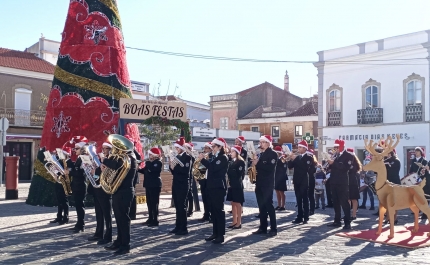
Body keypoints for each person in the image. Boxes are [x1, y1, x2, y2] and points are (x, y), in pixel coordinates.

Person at [103, 135, 137, 255]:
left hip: (125, 191)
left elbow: (116, 166)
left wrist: (105, 160)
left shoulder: (129, 158)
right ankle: (119, 241)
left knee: (123, 219)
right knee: (118, 218)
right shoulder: (124, 158)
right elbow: (115, 168)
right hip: (118, 190)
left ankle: (125, 245)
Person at [199, 137, 229, 244]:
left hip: (218, 187)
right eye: (212, 146)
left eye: (214, 146)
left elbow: (212, 168)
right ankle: (215, 232)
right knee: (214, 212)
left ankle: (220, 235)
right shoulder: (214, 157)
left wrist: (203, 159)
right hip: (211, 186)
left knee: (219, 211)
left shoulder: (223, 157)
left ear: (220, 147)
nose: (212, 148)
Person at [88, 142, 113, 245]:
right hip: (98, 188)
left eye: (105, 148)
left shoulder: (111, 160)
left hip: (106, 190)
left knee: (107, 215)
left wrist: (97, 171)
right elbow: (98, 175)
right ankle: (99, 233)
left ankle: (108, 236)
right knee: (99, 213)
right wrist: (93, 173)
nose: (103, 150)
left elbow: (108, 173)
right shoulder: (102, 159)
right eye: (102, 148)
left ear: (110, 149)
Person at [252, 135, 278, 236]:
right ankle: (262, 227)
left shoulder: (273, 154)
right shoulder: (261, 154)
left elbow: (269, 168)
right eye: (260, 142)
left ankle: (273, 228)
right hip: (259, 182)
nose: (260, 144)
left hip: (267, 183)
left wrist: (258, 163)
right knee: (261, 206)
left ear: (268, 143)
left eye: (263, 142)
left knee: (269, 206)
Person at [326, 139, 352, 230]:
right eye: (335, 147)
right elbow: (330, 168)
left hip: (342, 182)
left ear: (342, 147)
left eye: (337, 147)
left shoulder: (348, 156)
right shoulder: (335, 156)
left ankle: (347, 222)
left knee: (344, 202)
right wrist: (329, 163)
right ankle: (337, 221)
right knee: (335, 202)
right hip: (333, 181)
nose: (335, 149)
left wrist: (334, 163)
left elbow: (345, 168)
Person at [169, 137, 192, 235]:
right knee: (177, 206)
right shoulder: (177, 157)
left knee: (182, 206)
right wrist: (172, 167)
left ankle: (183, 228)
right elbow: (174, 172)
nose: (176, 149)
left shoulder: (187, 157)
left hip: (183, 183)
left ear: (182, 148)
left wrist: (176, 167)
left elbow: (185, 171)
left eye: (177, 148)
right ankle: (177, 226)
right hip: (176, 183)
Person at [288, 140, 312, 224]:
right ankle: (299, 216)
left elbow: (305, 167)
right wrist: (290, 159)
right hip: (296, 180)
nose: (298, 148)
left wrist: (295, 159)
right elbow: (290, 166)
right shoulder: (297, 157)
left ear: (305, 148)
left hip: (304, 180)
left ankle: (306, 216)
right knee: (298, 199)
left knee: (305, 198)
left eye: (300, 147)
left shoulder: (309, 157)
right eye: (298, 147)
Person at [68, 137, 89, 233]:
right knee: (77, 205)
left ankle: (81, 225)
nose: (74, 150)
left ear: (82, 149)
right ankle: (78, 224)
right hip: (76, 185)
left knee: (80, 206)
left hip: (81, 185)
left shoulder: (84, 158)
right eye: (74, 148)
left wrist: (69, 172)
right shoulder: (78, 158)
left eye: (76, 148)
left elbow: (81, 174)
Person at [50, 147, 73, 225]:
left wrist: (67, 171)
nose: (61, 155)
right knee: (59, 200)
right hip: (59, 182)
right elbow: (58, 170)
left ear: (66, 154)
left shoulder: (70, 162)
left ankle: (66, 217)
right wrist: (54, 173)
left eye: (62, 153)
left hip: (66, 183)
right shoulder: (60, 161)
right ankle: (59, 216)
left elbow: (69, 172)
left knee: (64, 201)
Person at [140, 147, 162, 227]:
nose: (149, 156)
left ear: (155, 155)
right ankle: (150, 218)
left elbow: (152, 169)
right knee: (149, 203)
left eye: (150, 154)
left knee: (154, 203)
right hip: (148, 185)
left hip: (155, 185)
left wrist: (146, 162)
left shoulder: (158, 162)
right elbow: (144, 170)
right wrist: (137, 168)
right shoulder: (150, 163)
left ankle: (155, 220)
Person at [226, 145, 245, 229]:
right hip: (231, 185)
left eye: (233, 152)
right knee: (232, 203)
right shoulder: (231, 162)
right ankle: (234, 221)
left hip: (237, 185)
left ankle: (239, 222)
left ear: (237, 153)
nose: (231, 153)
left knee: (237, 203)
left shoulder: (241, 162)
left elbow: (239, 174)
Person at [198, 142, 214, 223]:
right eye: (204, 148)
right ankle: (206, 214)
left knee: (210, 198)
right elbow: (201, 168)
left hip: (210, 180)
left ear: (210, 149)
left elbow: (210, 166)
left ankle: (211, 215)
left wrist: (204, 159)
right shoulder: (203, 156)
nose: (205, 150)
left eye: (206, 148)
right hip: (203, 180)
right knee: (204, 198)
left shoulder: (212, 156)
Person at [384, 149, 401, 224]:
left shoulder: (396, 161)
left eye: (388, 153)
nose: (387, 155)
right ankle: (387, 218)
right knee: (387, 201)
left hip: (395, 182)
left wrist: (388, 164)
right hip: (387, 182)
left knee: (394, 201)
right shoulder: (385, 161)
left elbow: (394, 170)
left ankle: (395, 218)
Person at [184, 142, 200, 217]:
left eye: (187, 148)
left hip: (192, 176)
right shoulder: (186, 155)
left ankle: (190, 210)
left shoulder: (192, 155)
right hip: (187, 176)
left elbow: (195, 162)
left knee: (190, 194)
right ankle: (187, 209)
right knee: (188, 194)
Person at [346, 148, 362, 221]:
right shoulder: (346, 161)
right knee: (348, 199)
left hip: (353, 182)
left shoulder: (354, 162)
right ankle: (348, 214)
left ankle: (354, 214)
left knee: (354, 199)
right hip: (347, 181)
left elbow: (352, 170)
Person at [273, 146, 288, 211]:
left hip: (282, 177)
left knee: (281, 191)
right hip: (276, 177)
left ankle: (283, 205)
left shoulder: (283, 159)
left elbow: (284, 168)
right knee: (277, 191)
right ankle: (279, 205)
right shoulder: (276, 159)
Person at [307, 149, 318, 215]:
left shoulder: (313, 163)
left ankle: (312, 209)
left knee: (311, 195)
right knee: (307, 195)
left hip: (311, 180)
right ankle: (307, 209)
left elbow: (311, 171)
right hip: (306, 180)